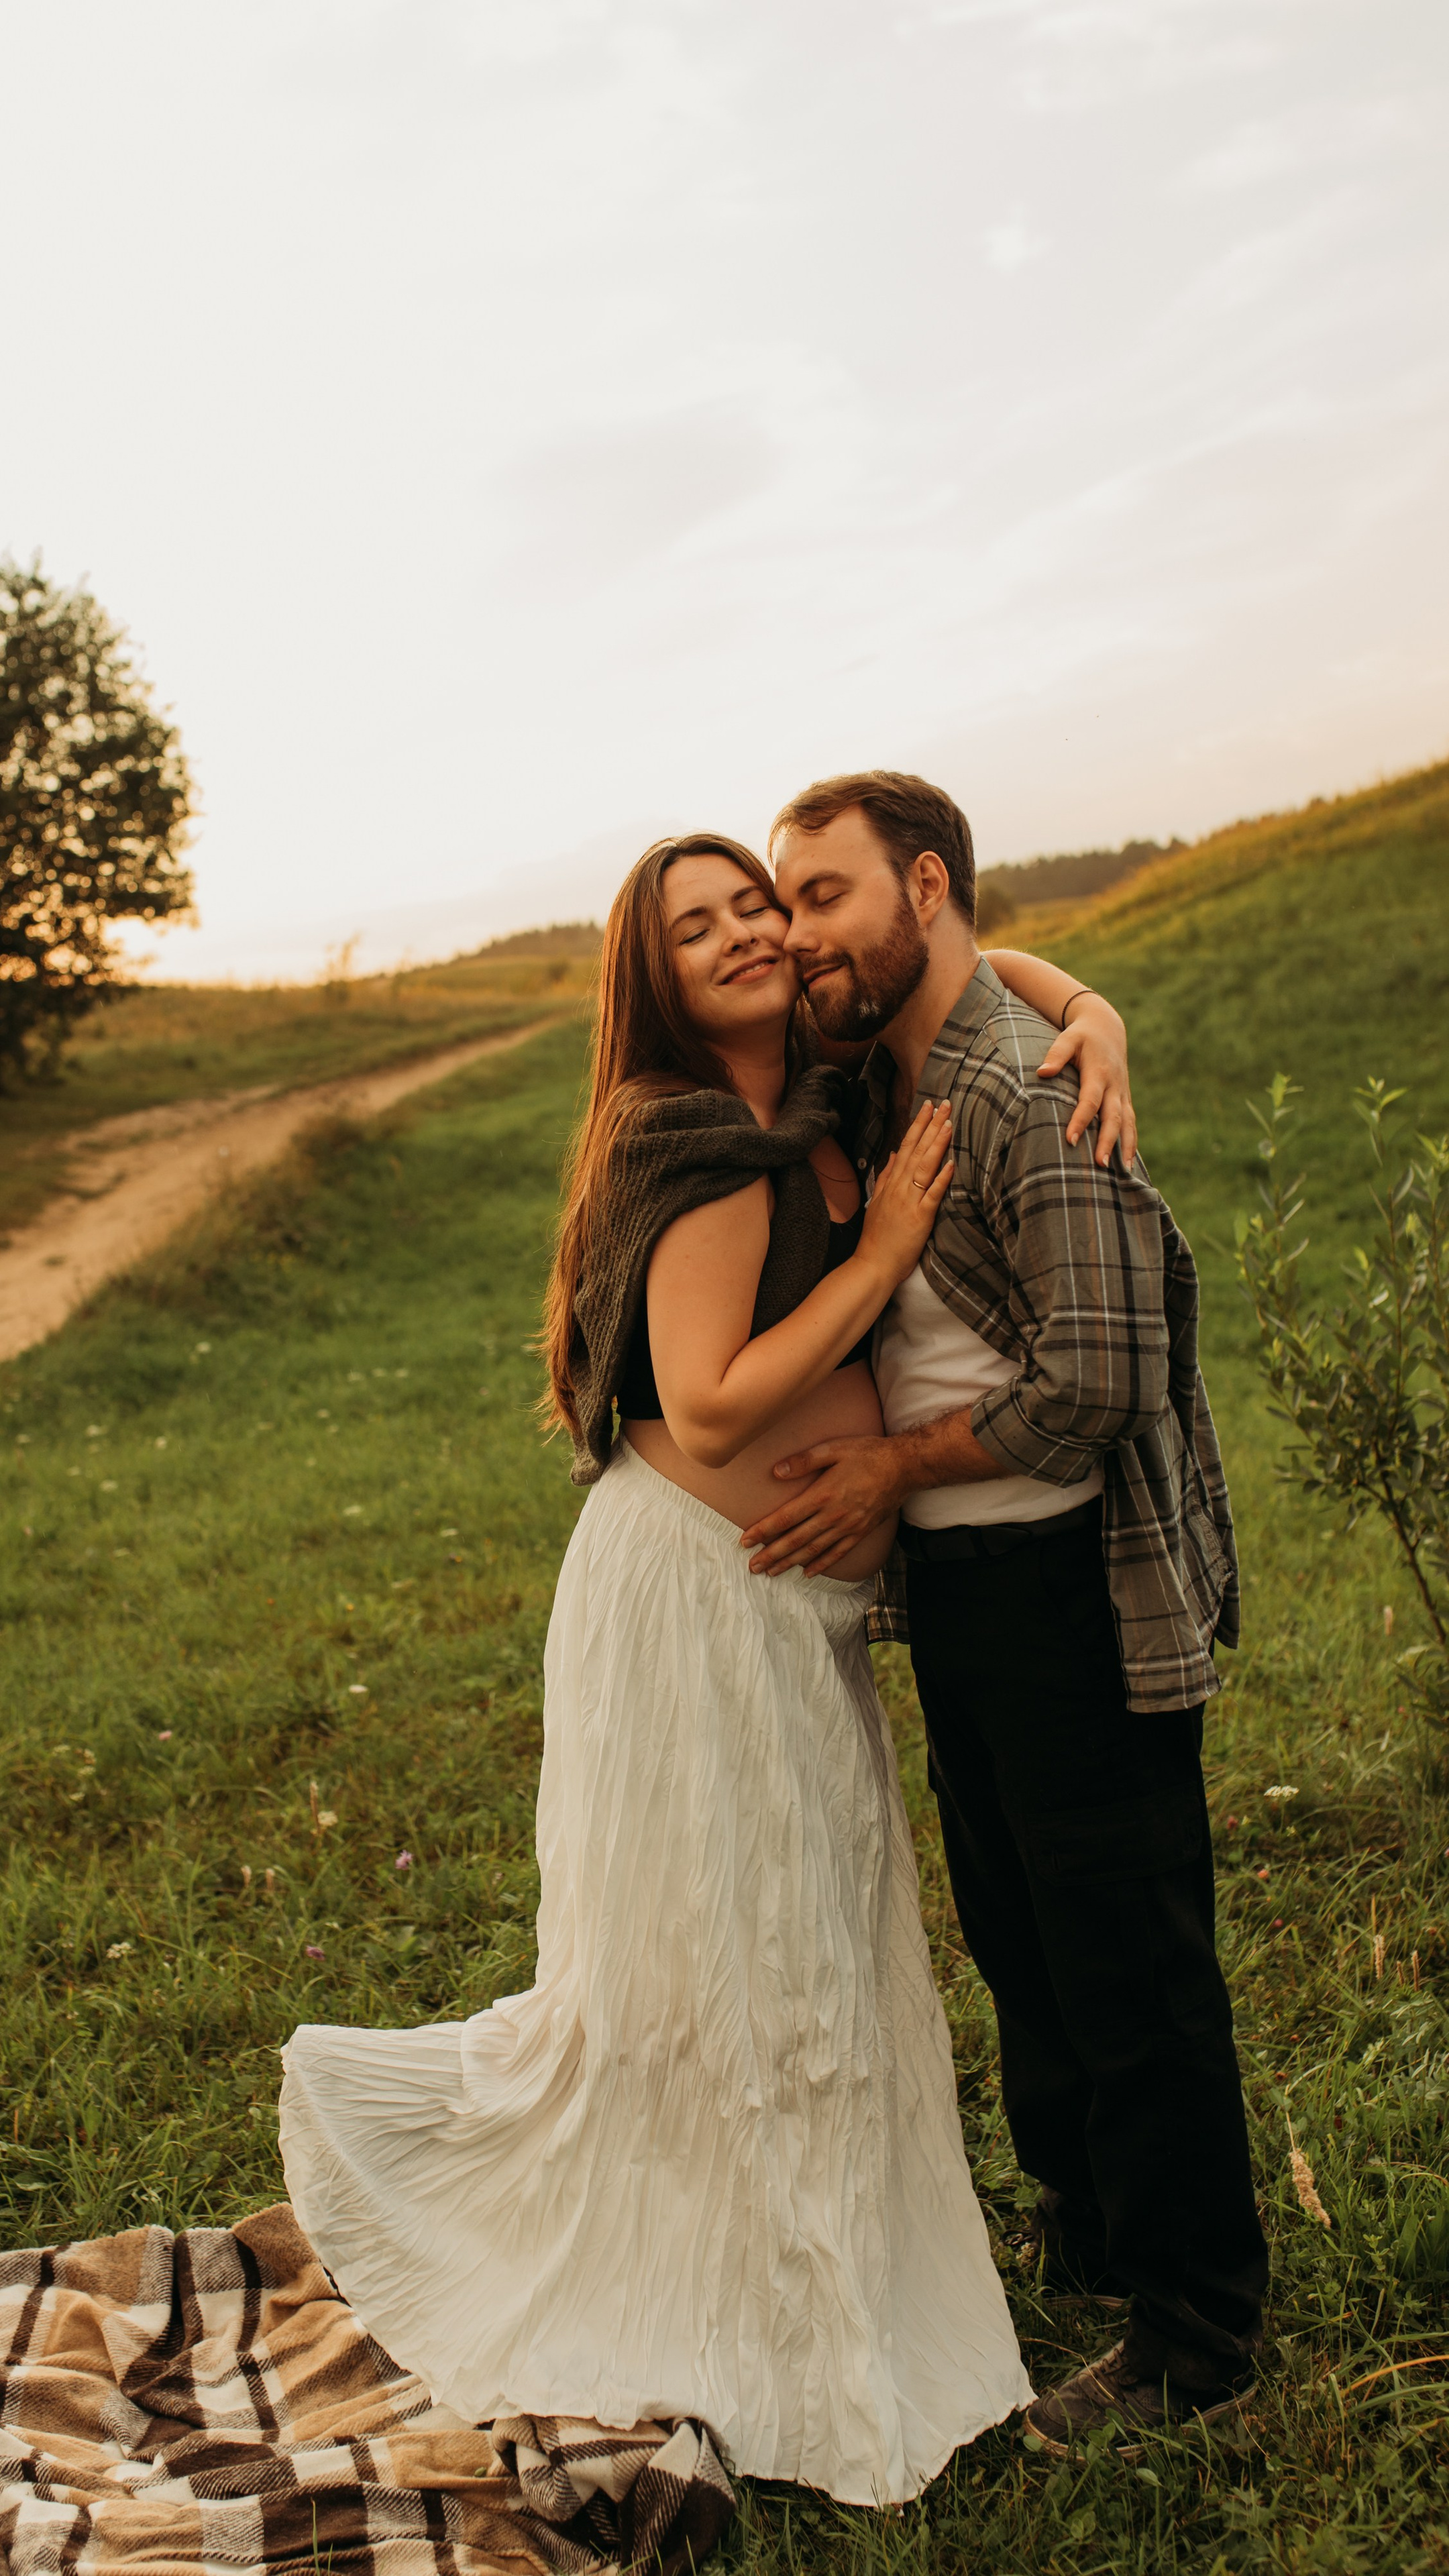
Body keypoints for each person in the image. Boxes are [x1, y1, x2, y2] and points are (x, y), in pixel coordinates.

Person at [277, 830, 1134, 2503]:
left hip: (781, 1610)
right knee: (726, 1959)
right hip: (692, 1597)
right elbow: (716, 1397)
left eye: (756, 902)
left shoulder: (813, 1096)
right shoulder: (693, 1146)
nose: (745, 931)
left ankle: (809, 2264)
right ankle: (744, 2303)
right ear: (651, 976)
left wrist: (1087, 1004)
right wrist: (883, 1259)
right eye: (698, 924)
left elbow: (986, 975)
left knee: (795, 1941)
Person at [741, 769, 1266, 2455]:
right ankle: (1094, 2250)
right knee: (1025, 1954)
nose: (794, 932)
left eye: (821, 896)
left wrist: (890, 1468)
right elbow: (989, 967)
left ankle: (1195, 2330)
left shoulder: (1030, 1095)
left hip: (1069, 1595)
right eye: (780, 902)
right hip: (961, 1601)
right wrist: (1078, 978)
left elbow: (1100, 1383)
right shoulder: (878, 1074)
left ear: (922, 882)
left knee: (1128, 1966)